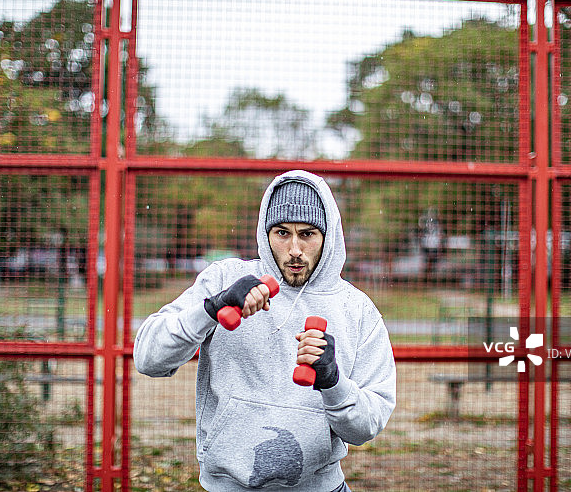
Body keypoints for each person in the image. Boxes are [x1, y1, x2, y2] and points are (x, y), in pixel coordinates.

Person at [134, 170, 396, 492]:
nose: (295, 249)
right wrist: (209, 310)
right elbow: (148, 358)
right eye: (283, 233)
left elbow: (366, 426)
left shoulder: (356, 309)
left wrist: (333, 382)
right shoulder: (226, 278)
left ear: (328, 237)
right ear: (265, 232)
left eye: (308, 234)